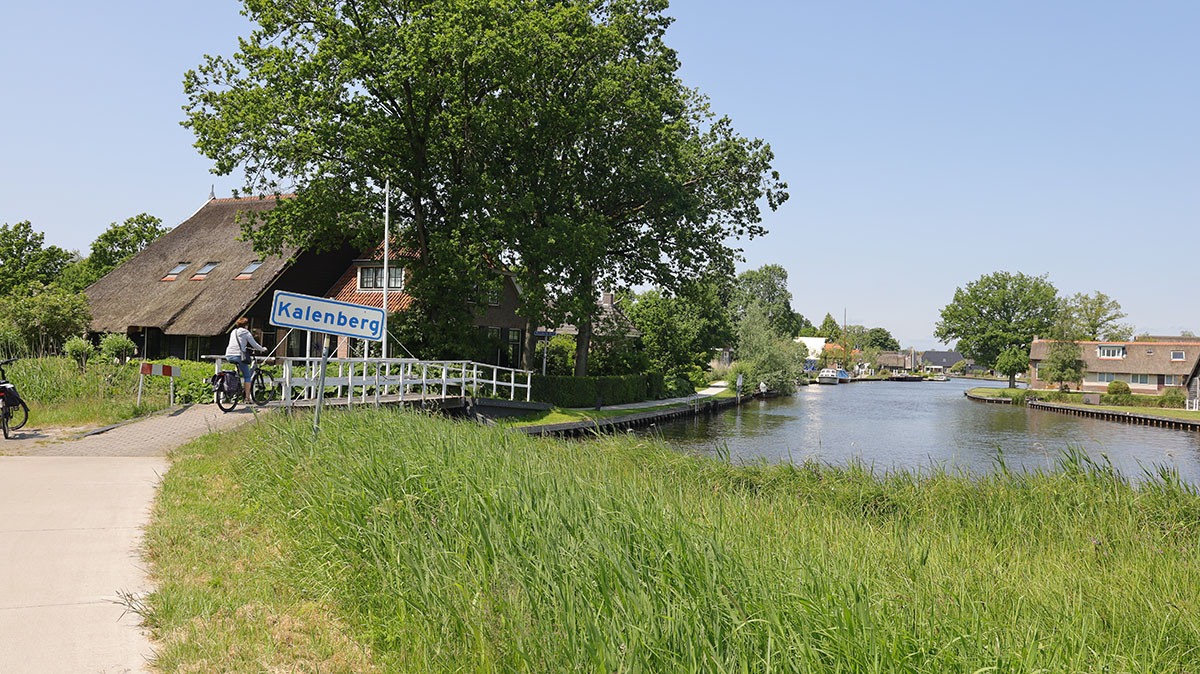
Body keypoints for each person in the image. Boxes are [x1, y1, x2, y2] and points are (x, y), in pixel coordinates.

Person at [225, 317, 266, 401]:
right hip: (238, 355)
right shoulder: (246, 332)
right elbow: (254, 344)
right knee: (247, 376)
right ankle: (247, 397)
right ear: (246, 325)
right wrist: (262, 349)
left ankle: (236, 385)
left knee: (238, 369)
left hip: (229, 355)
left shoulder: (234, 331)